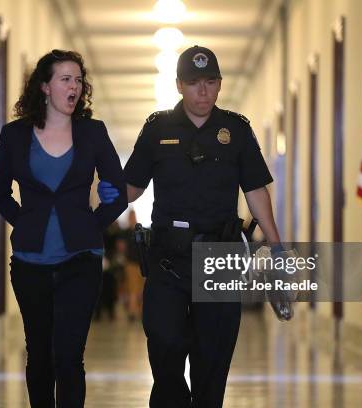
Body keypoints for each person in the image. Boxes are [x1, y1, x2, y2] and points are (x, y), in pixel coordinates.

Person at [99, 45, 283, 407]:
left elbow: (256, 191)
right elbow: (133, 186)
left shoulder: (237, 130)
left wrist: (276, 246)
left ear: (220, 84)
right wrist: (106, 197)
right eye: (194, 82)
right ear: (179, 85)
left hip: (219, 257)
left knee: (212, 360)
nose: (203, 91)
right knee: (164, 342)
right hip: (169, 256)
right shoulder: (157, 128)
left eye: (210, 82)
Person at [0, 49, 127, 408]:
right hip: (29, 262)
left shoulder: (92, 133)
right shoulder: (15, 135)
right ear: (45, 86)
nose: (75, 86)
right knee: (39, 357)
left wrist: (93, 224)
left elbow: (119, 193)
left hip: (81, 259)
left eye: (79, 80)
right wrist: (26, 222)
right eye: (66, 79)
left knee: (68, 356)